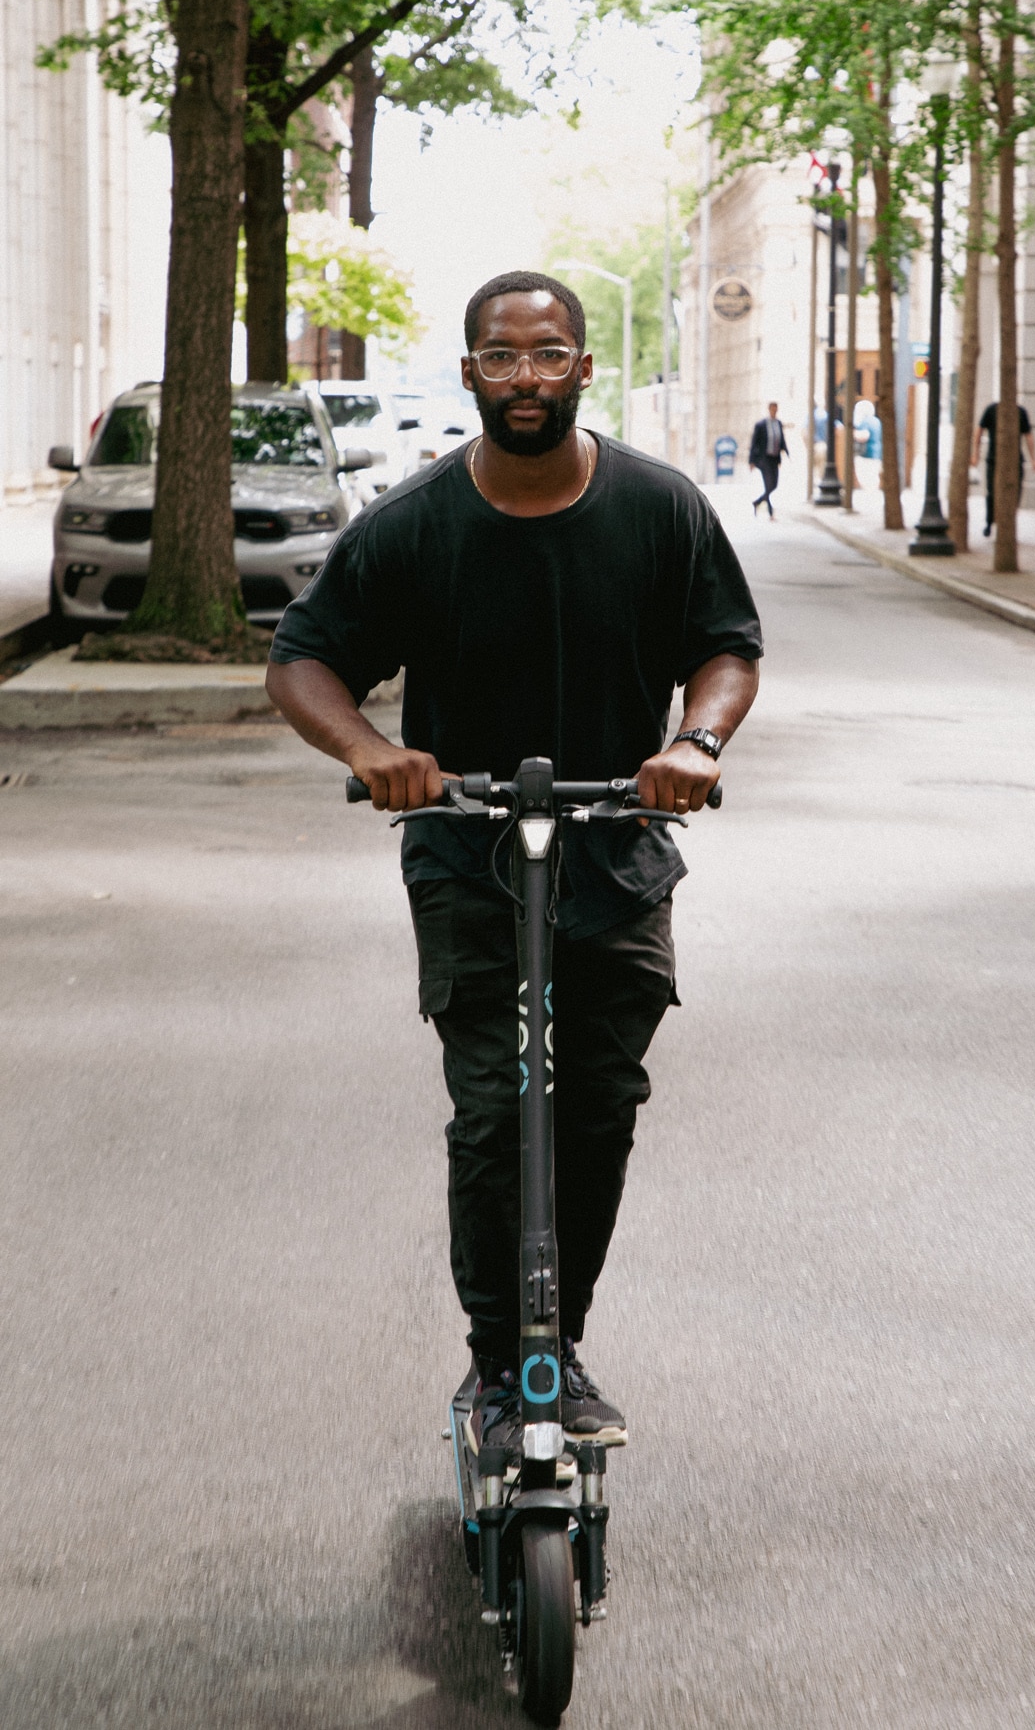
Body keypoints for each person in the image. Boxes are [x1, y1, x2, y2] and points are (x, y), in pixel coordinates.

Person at [265, 271, 762, 1461]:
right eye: (502, 357)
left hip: (617, 851)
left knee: (592, 1112)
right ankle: (502, 1367)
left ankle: (559, 1345)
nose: (526, 377)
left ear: (583, 369)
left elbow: (725, 648)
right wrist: (373, 749)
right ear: (470, 370)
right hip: (467, 857)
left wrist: (692, 743)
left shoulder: (658, 508)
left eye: (548, 356)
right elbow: (303, 660)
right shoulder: (415, 523)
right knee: (498, 1114)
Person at [973, 401, 1035, 536]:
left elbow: (1028, 435)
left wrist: (1033, 459)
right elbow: (979, 430)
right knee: (992, 492)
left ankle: (1008, 523)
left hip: (1015, 460)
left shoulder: (1020, 412)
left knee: (1015, 493)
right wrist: (976, 454)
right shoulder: (991, 410)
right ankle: (989, 522)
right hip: (993, 459)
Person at [749, 400, 789, 518]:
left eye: (776, 409)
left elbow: (781, 440)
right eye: (772, 408)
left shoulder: (779, 423)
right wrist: (751, 461)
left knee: (774, 484)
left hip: (774, 458)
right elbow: (754, 443)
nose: (774, 411)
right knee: (768, 485)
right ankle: (771, 512)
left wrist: (786, 452)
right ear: (769, 409)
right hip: (764, 458)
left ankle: (757, 502)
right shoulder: (761, 425)